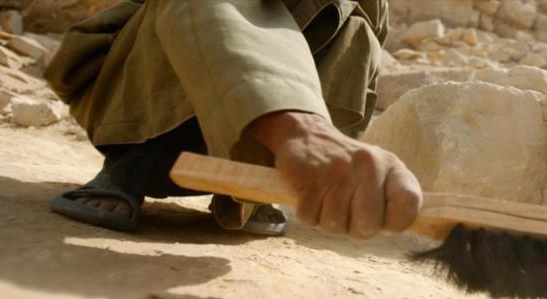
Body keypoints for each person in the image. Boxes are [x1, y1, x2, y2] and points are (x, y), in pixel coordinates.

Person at [44, 0, 422, 239]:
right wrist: (306, 133)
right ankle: (127, 171)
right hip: (141, 84)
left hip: (252, 130)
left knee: (357, 25)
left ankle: (249, 190)